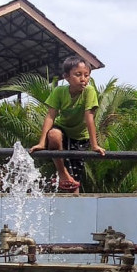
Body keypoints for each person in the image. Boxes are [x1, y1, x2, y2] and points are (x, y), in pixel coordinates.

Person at [30, 56, 105, 193]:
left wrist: (94, 145)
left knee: (74, 180)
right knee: (53, 135)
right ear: (66, 77)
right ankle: (61, 172)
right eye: (78, 75)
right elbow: (50, 116)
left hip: (80, 136)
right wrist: (41, 143)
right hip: (63, 130)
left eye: (86, 75)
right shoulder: (59, 91)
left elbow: (89, 118)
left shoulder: (89, 91)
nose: (83, 79)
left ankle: (73, 197)